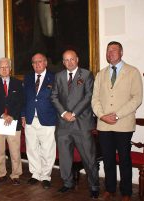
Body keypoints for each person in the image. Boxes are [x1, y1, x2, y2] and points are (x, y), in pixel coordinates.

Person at [92, 41, 143, 201]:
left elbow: (137, 98)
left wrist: (117, 115)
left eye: (114, 50)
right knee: (108, 159)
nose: (110, 53)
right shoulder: (101, 74)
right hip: (104, 124)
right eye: (108, 51)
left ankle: (126, 192)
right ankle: (110, 189)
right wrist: (101, 115)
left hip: (124, 124)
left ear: (121, 52)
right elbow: (95, 99)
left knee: (124, 159)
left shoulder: (133, 72)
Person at [51, 49, 100, 198]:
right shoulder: (59, 76)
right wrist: (63, 113)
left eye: (71, 59)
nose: (69, 62)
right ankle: (67, 183)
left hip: (81, 124)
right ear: (63, 62)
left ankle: (94, 186)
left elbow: (88, 96)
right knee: (65, 158)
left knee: (89, 158)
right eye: (66, 60)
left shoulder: (86, 74)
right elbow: (54, 97)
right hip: (63, 125)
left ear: (77, 59)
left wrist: (73, 113)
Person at [21, 53, 57, 189]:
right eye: (34, 62)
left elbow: (59, 99)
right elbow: (24, 99)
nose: (37, 64)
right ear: (32, 64)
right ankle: (35, 174)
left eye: (40, 61)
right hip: (30, 119)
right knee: (32, 149)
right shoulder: (28, 77)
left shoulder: (54, 78)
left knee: (48, 150)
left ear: (46, 62)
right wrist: (23, 115)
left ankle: (46, 176)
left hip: (48, 119)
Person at [0, 58, 24, 185]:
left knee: (14, 151)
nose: (4, 69)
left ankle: (16, 175)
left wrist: (12, 116)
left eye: (6, 67)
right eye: (1, 67)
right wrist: (3, 115)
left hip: (13, 122)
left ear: (10, 69)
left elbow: (20, 102)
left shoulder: (18, 84)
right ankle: (1, 174)